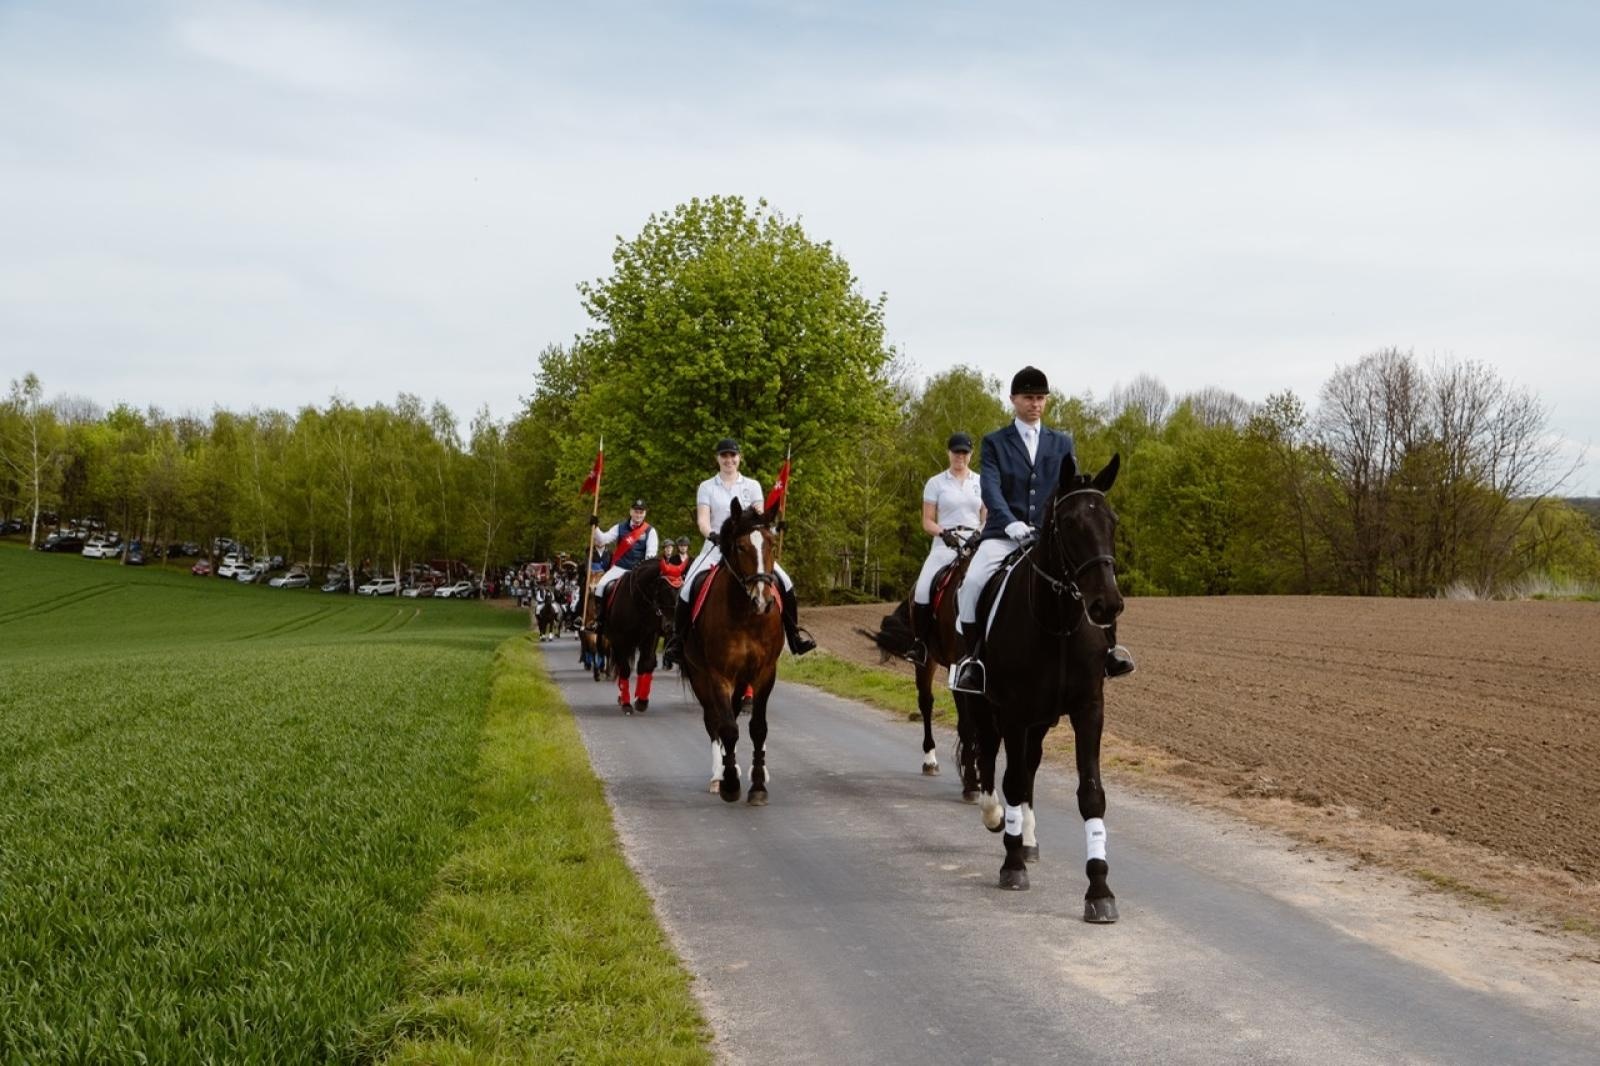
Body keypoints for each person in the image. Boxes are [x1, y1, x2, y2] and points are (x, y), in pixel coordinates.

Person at [949, 366, 1135, 694]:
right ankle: (974, 662)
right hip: (1003, 536)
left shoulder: (1062, 442)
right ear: (1014, 400)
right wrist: (1009, 522)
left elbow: (1068, 488)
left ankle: (1108, 652)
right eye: (1028, 398)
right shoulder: (995, 442)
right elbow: (990, 488)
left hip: (1048, 536)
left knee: (1097, 577)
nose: (1035, 404)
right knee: (972, 584)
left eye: (1040, 398)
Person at [662, 437, 815, 667]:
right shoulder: (706, 486)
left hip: (749, 550)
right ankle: (678, 641)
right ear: (717, 459)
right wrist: (711, 534)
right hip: (715, 547)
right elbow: (703, 520)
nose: (729, 460)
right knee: (687, 587)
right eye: (724, 456)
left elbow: (760, 517)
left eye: (732, 455)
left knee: (786, 582)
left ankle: (794, 636)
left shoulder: (752, 485)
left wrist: (772, 528)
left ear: (739, 458)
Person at [906, 431, 985, 666]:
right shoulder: (936, 482)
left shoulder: (981, 482)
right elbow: (927, 520)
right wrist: (943, 533)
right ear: (948, 453)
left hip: (975, 543)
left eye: (964, 452)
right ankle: (920, 643)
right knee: (921, 590)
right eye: (956, 452)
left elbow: (987, 516)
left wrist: (979, 533)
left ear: (970, 455)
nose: (960, 456)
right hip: (945, 543)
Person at [588, 498, 659, 632]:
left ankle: (655, 624)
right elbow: (603, 539)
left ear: (645, 514)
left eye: (641, 512)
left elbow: (651, 554)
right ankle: (600, 620)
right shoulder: (619, 527)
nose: (638, 515)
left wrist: (642, 569)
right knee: (601, 586)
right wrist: (596, 527)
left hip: (639, 570)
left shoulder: (650, 531)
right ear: (631, 512)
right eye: (636, 511)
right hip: (620, 567)